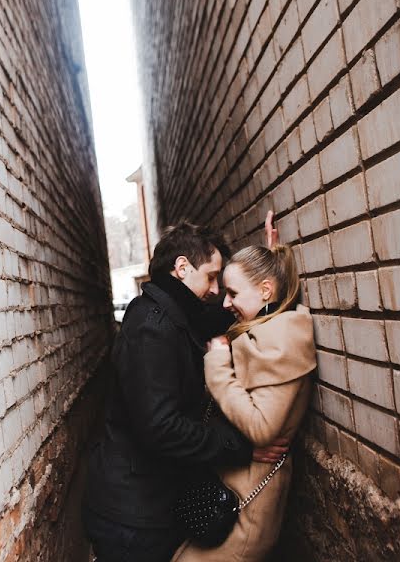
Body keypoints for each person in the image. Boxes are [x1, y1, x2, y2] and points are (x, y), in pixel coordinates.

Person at [83, 220, 288, 562]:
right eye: (211, 277)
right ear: (182, 268)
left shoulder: (172, 312)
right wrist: (241, 446)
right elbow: (161, 429)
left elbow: (230, 315)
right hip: (131, 519)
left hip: (146, 507)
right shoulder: (152, 327)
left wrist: (270, 272)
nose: (215, 290)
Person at [171, 242, 317, 562]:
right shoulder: (270, 327)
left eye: (233, 293)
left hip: (246, 509)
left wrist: (218, 366)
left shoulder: (282, 341)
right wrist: (273, 255)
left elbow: (262, 427)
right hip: (232, 493)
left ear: (266, 290)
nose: (225, 303)